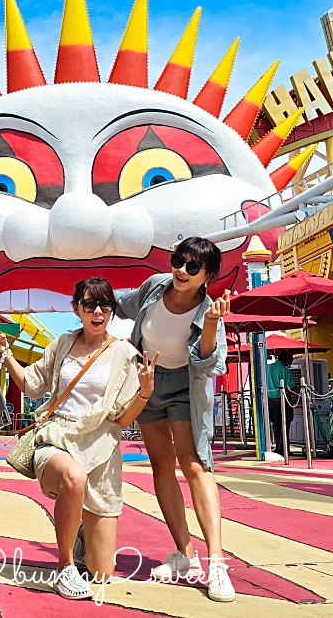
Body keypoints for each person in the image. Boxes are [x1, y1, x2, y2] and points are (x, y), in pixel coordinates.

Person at [0, 277, 150, 600]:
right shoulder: (61, 344)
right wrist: (4, 354)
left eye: (105, 305)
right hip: (57, 439)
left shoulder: (125, 354)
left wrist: (144, 392)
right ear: (76, 308)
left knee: (102, 572)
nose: (98, 311)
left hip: (101, 450)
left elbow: (123, 418)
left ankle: (79, 534)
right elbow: (32, 385)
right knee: (73, 477)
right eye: (90, 304)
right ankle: (64, 568)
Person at [115, 236, 234, 603]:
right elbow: (122, 304)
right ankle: (185, 554)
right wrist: (92, 301)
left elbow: (209, 363)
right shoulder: (154, 287)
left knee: (195, 465)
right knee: (161, 466)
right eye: (178, 261)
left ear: (207, 276)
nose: (181, 271)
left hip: (186, 384)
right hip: (147, 380)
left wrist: (212, 324)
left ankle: (216, 563)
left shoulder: (208, 312)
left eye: (192, 267)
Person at [265, 350, 296, 458]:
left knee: (276, 424)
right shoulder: (285, 370)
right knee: (285, 423)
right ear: (287, 361)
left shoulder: (268, 368)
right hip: (283, 398)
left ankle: (278, 446)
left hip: (270, 398)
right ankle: (284, 447)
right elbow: (290, 387)